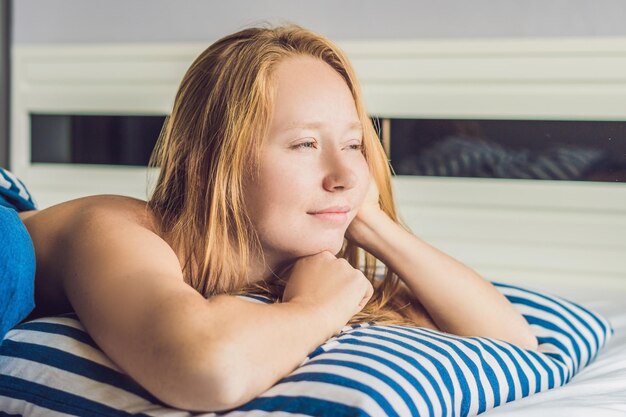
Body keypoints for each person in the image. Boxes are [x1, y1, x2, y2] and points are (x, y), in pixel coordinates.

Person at [11, 25, 537, 412]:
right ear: (214, 163)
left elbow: (514, 344)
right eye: (305, 144)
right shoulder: (114, 227)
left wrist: (371, 221)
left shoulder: (294, 262)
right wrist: (315, 308)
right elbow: (204, 371)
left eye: (353, 144)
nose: (344, 173)